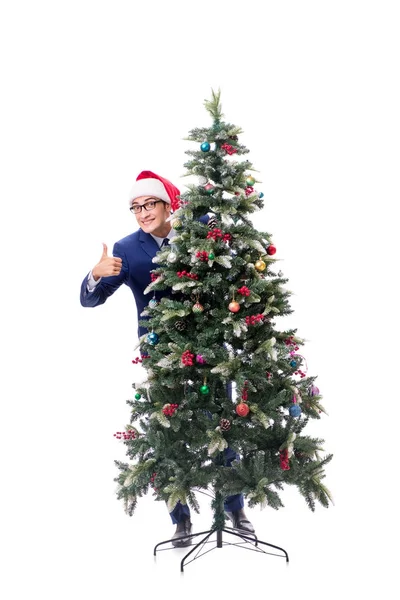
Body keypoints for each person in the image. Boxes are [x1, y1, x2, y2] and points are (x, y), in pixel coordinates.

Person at [80, 170, 255, 546]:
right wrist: (95, 276)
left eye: (149, 204)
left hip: (209, 350)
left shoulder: (199, 229)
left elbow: (232, 269)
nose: (142, 213)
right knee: (168, 434)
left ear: (166, 204)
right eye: (135, 207)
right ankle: (181, 518)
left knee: (222, 426)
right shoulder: (127, 249)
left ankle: (235, 506)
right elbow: (91, 300)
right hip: (161, 353)